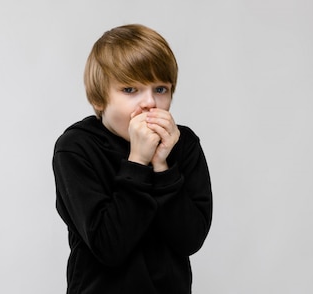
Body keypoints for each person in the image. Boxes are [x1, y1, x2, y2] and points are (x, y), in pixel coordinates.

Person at [52, 24, 212, 294]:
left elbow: (190, 240)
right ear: (99, 98)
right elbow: (109, 247)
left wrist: (162, 167)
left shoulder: (183, 145)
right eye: (130, 90)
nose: (150, 102)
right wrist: (138, 161)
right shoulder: (76, 148)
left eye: (160, 89)